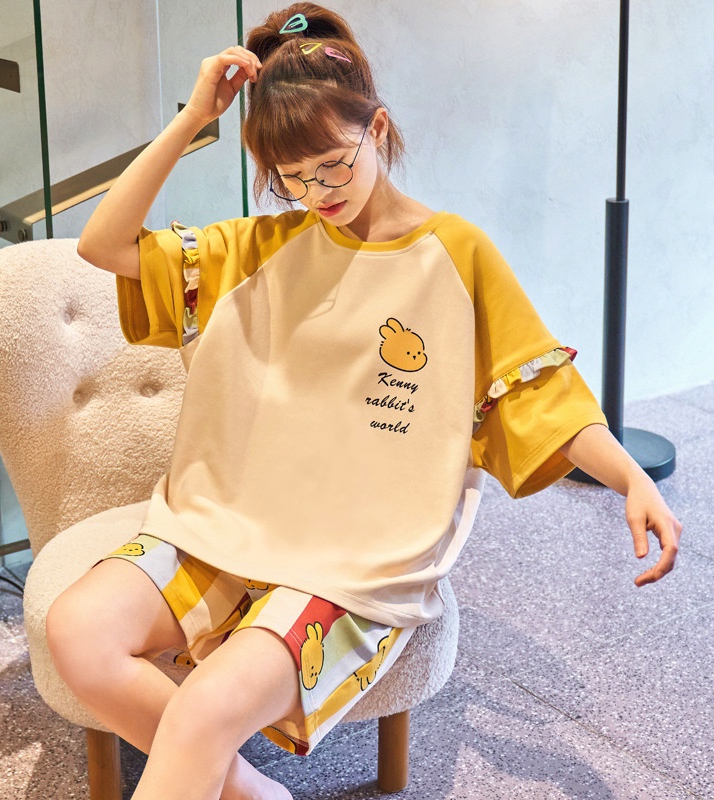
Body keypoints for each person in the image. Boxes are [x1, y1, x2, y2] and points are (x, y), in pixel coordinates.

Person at [46, 4, 682, 799]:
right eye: (290, 177)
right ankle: (256, 793)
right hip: (223, 524)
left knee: (204, 711)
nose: (314, 192)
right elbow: (102, 244)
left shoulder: (456, 254)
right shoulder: (262, 249)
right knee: (78, 633)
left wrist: (631, 478)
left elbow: (534, 389)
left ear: (376, 128)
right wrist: (192, 120)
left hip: (355, 560)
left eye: (331, 165)